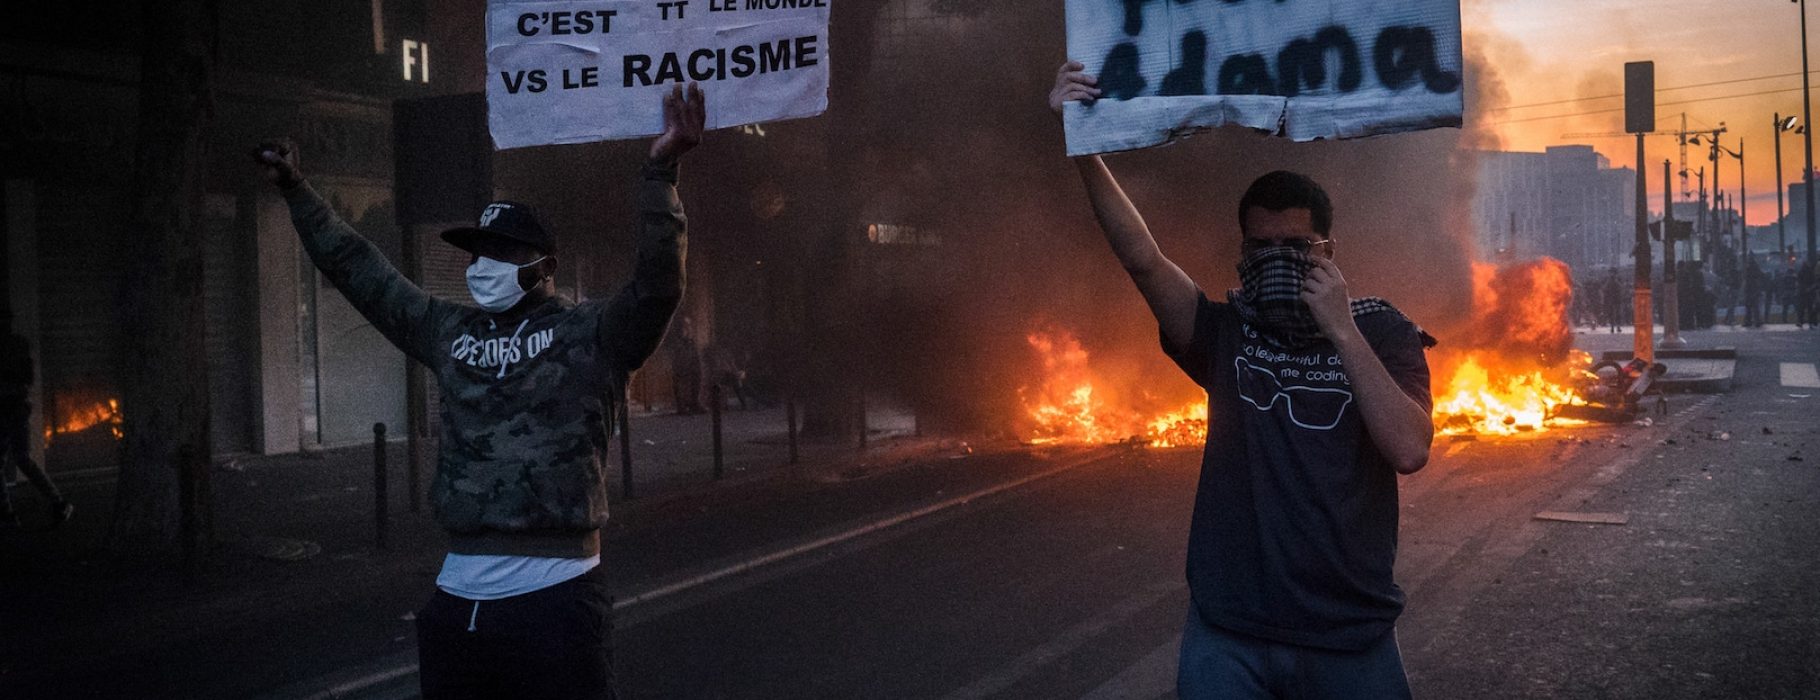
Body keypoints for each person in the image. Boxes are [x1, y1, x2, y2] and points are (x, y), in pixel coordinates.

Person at [254, 84, 704, 699]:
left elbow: (657, 287)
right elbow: (360, 270)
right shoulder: (449, 332)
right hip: (457, 606)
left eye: (501, 252)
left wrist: (660, 171)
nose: (482, 264)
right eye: (477, 253)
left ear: (543, 266)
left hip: (557, 601)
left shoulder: (589, 333)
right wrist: (297, 191)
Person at [1050, 62, 1434, 699]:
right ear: (1242, 252)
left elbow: (1409, 449)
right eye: (1263, 249)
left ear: (1329, 253)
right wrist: (1082, 144)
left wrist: (1341, 330)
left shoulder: (1383, 330)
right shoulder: (1225, 333)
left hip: (1349, 636)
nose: (1279, 262)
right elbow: (1143, 259)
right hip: (1232, 634)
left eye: (1299, 249)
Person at [0, 323, 73, 531]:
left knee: (21, 458)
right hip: (14, 408)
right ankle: (56, 504)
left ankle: (9, 513)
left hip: (11, 408)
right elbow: (27, 378)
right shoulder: (18, 345)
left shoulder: (15, 347)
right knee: (21, 458)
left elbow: (24, 378)